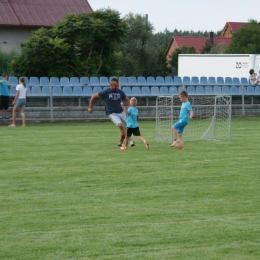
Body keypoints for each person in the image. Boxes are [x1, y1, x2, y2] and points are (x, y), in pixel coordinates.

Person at [88, 78, 135, 147]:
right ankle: (131, 140)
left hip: (121, 112)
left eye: (118, 86)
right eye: (115, 86)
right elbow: (93, 96)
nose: (117, 87)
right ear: (111, 85)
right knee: (120, 125)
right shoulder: (105, 92)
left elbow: (127, 99)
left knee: (125, 128)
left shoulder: (120, 92)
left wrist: (130, 108)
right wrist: (90, 107)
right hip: (112, 113)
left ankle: (120, 142)